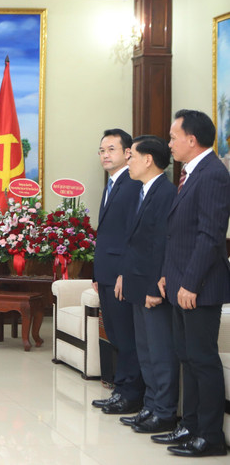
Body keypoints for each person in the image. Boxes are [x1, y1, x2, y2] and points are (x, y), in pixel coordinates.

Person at [154, 109, 230, 457]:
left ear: (191, 139)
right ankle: (191, 424)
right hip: (182, 281)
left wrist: (191, 283)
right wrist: (170, 273)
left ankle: (211, 435)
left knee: (202, 359)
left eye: (172, 137)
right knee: (186, 356)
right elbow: (180, 235)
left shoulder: (213, 174)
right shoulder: (189, 174)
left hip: (200, 287)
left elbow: (210, 236)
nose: (168, 143)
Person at [113, 135, 178, 434]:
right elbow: (136, 243)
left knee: (160, 352)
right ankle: (150, 406)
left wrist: (154, 287)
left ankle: (164, 412)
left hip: (153, 288)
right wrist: (125, 276)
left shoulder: (164, 192)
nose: (128, 162)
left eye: (132, 156)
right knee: (146, 352)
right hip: (137, 283)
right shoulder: (143, 191)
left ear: (148, 159)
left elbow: (161, 245)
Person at [90, 128, 144, 414]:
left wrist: (125, 272)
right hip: (107, 274)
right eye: (102, 150)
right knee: (115, 334)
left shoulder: (133, 184)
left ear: (127, 153)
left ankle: (131, 394)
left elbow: (132, 235)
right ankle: (120, 390)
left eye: (111, 149)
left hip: (122, 276)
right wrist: (97, 274)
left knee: (126, 336)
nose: (105, 155)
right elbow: (108, 234)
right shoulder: (112, 184)